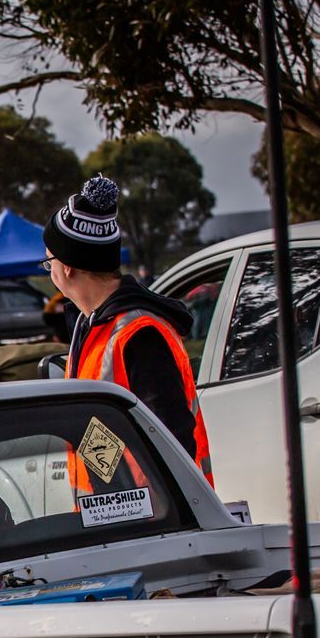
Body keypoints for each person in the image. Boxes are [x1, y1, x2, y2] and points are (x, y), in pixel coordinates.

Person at [43, 174, 214, 485]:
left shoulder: (139, 334)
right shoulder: (92, 325)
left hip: (153, 519)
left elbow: (172, 441)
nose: (48, 269)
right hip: (117, 513)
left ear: (67, 266)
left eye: (48, 261)